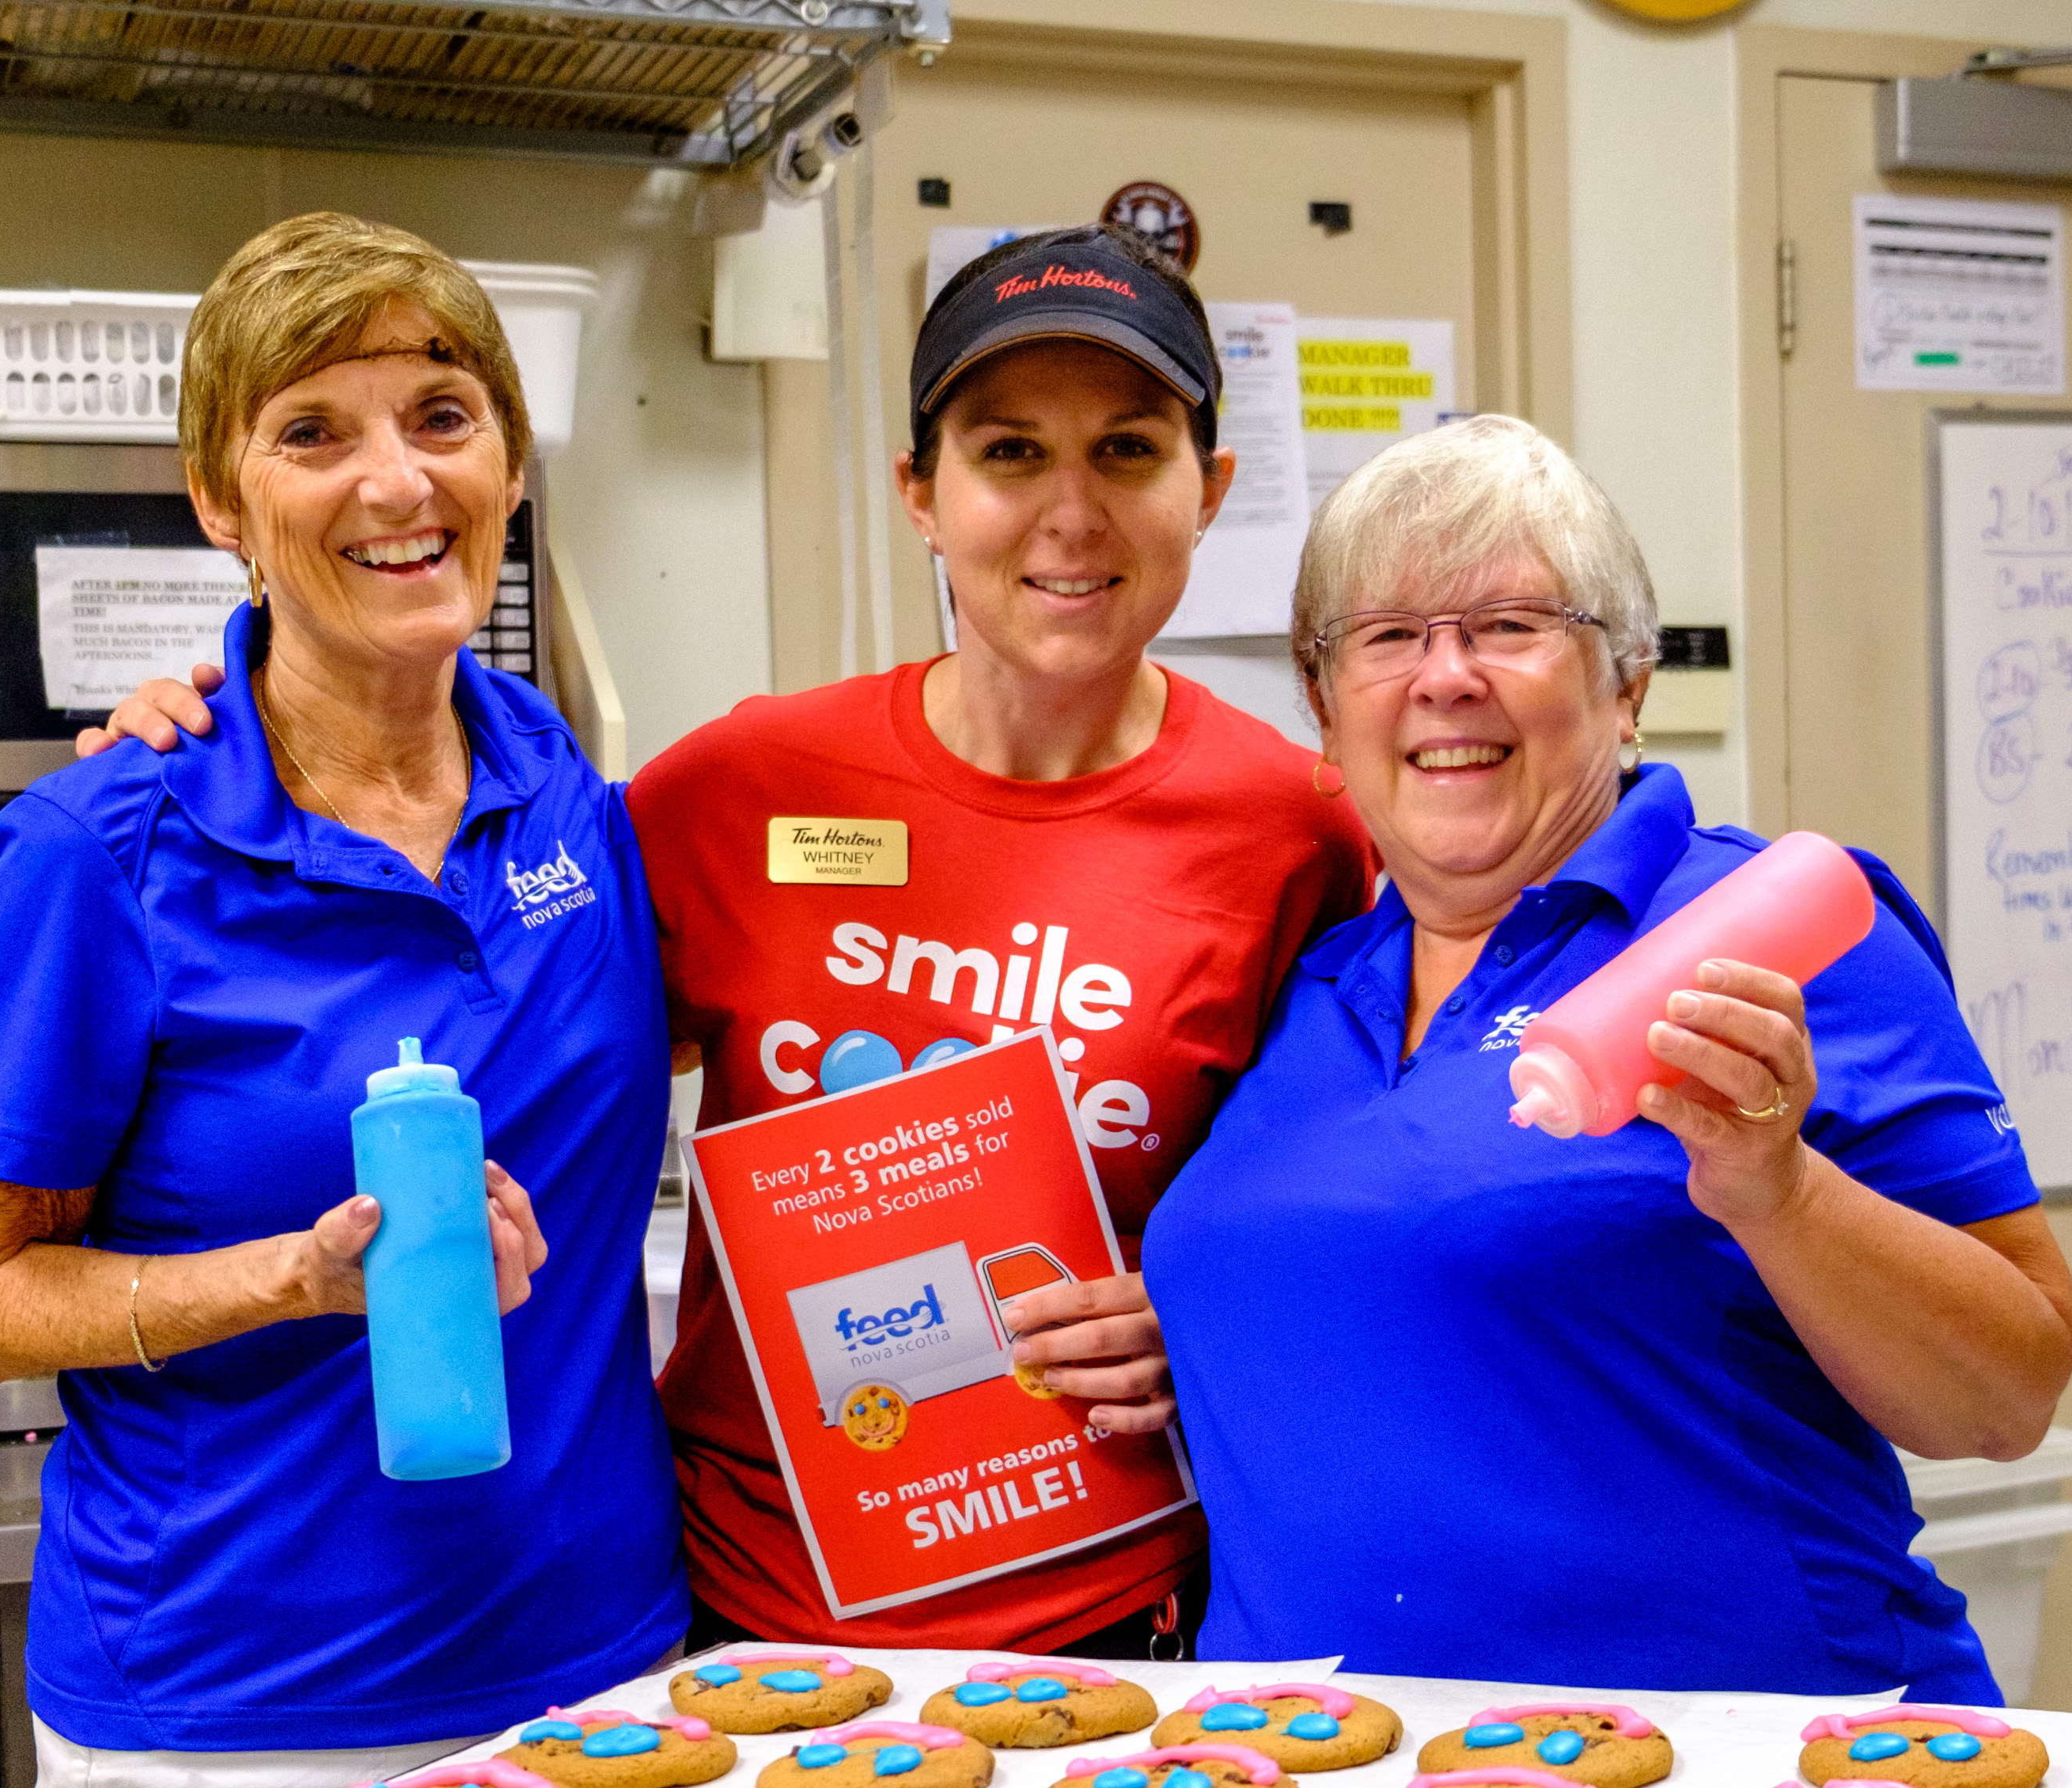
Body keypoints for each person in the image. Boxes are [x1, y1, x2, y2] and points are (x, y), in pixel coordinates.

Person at [84, 223, 1377, 1658]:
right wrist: (224, 741)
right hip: (750, 1622)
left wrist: (1193, 1316)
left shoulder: (1297, 828)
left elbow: (1337, 1207)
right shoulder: (744, 790)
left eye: (1129, 451)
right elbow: (485, 974)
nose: (1070, 512)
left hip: (1108, 1613)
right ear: (921, 497)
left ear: (1214, 492)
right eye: (1008, 453)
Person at [0, 212, 684, 1788]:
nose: (393, 481)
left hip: (602, 1698)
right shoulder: (97, 850)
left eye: (439, 413)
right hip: (232, 1739)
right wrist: (288, 1278)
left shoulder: (572, 791)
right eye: (311, 431)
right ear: (218, 497)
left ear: (509, 459)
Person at [1142, 414, 2072, 1698]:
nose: (1446, 675)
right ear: (1322, 705)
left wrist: (1781, 1190)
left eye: (1513, 625)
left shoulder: (1768, 936)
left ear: (1628, 683)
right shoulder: (1309, 986)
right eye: (1389, 636)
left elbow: (2007, 1394)